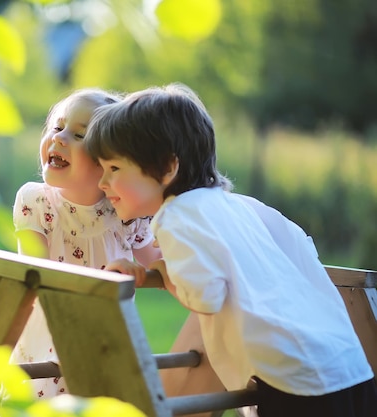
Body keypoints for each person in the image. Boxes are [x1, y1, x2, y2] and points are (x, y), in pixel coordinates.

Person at [84, 82, 377, 417]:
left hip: (296, 382)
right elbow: (300, 248)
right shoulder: (239, 206)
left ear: (168, 168)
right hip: (350, 368)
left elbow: (205, 297)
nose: (102, 183)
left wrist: (164, 271)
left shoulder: (175, 217)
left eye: (114, 169)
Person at [11, 88, 161, 399]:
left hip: (106, 347)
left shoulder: (125, 212)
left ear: (108, 162)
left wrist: (137, 270)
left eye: (79, 135)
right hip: (49, 348)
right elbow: (36, 277)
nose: (60, 138)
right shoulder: (37, 202)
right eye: (57, 126)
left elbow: (158, 268)